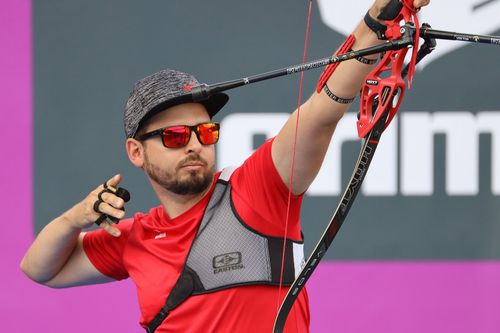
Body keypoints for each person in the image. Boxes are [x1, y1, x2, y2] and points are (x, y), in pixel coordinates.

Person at [21, 0, 429, 332]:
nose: (195, 144)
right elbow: (39, 269)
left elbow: (323, 109)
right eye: (175, 137)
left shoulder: (258, 188)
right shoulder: (133, 238)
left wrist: (381, 18)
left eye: (206, 133)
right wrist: (73, 219)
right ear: (135, 152)